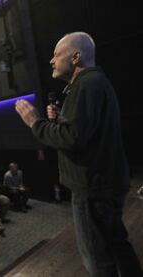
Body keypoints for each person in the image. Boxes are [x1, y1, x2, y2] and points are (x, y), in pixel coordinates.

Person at [15, 32, 142, 276]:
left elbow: (71, 137)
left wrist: (35, 122)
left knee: (98, 258)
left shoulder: (86, 84)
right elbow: (81, 132)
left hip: (92, 188)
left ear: (76, 56)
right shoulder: (93, 83)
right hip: (104, 182)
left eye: (56, 55)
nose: (51, 60)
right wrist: (59, 120)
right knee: (118, 247)